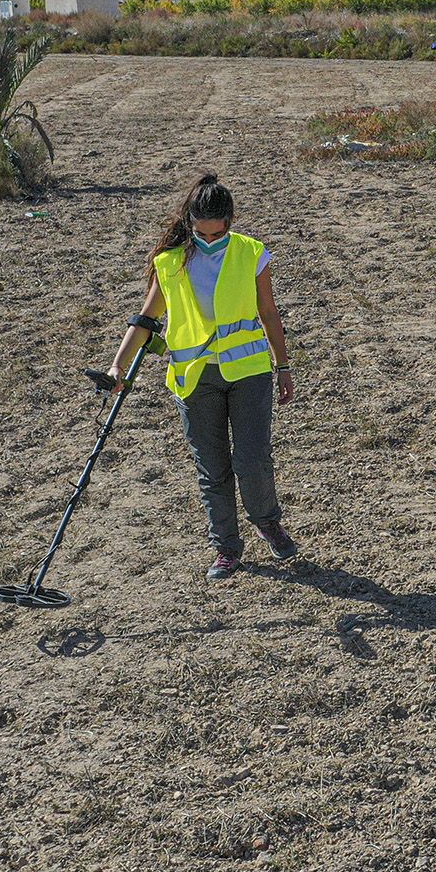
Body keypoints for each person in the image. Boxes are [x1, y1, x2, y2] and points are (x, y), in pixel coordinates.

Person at [106, 174, 299, 582]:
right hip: (194, 381)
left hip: (249, 374)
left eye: (219, 231)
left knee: (252, 461)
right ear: (189, 222)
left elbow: (269, 313)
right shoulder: (170, 261)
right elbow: (145, 319)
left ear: (230, 220)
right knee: (212, 469)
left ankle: (267, 522)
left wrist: (283, 366)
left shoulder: (251, 253)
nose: (211, 239)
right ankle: (226, 548)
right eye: (202, 232)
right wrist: (118, 365)